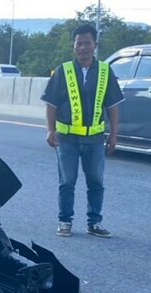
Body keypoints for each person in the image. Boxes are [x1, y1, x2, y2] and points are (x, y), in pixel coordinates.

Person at [41, 24, 123, 238]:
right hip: (67, 139)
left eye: (87, 43)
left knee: (96, 181)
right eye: (79, 44)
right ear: (73, 46)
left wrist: (114, 134)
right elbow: (51, 104)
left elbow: (112, 106)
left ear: (95, 45)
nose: (83, 48)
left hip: (95, 139)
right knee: (67, 182)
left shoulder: (105, 71)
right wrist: (50, 130)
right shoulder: (63, 71)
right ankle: (65, 221)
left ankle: (94, 222)